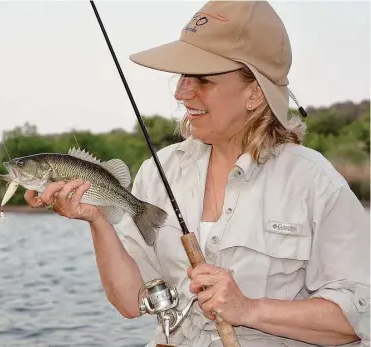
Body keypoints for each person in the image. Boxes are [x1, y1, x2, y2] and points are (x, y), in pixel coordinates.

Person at [24, 1, 370, 346]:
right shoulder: (160, 171)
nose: (180, 92)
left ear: (254, 93)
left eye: (202, 79)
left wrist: (249, 309)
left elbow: (359, 318)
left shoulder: (314, 182)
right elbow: (130, 302)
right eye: (183, 76)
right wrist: (97, 220)